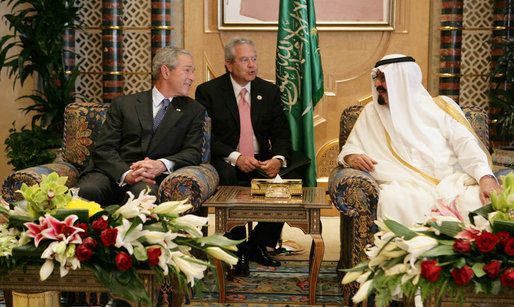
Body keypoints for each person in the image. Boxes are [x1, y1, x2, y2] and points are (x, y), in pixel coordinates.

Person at [337, 54, 501, 225]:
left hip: (452, 181)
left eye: (383, 78)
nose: (377, 84)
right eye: (376, 78)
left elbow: (466, 145)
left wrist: (485, 178)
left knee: (476, 202)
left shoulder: (441, 107)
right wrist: (352, 157)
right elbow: (350, 148)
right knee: (397, 201)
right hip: (404, 184)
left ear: (403, 80)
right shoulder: (371, 113)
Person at [195, 37, 293, 276]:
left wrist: (277, 159)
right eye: (244, 60)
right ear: (229, 64)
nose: (252, 65)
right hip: (227, 158)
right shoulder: (209, 91)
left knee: (290, 179)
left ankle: (258, 243)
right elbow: (205, 137)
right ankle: (236, 247)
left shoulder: (268, 91)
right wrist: (236, 156)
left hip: (261, 159)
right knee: (228, 175)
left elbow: (281, 133)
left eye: (254, 59)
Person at [77, 46, 206, 205]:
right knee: (87, 190)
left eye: (192, 71)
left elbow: (193, 152)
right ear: (165, 72)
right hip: (113, 173)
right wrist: (126, 174)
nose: (192, 77)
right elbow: (104, 148)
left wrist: (161, 165)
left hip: (152, 178)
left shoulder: (194, 110)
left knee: (143, 195)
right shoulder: (124, 104)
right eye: (187, 70)